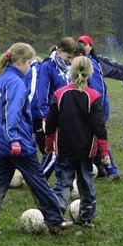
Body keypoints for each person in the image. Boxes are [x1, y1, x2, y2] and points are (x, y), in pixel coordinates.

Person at [0, 43, 69, 236]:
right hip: (16, 142)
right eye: (29, 63)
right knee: (38, 180)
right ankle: (55, 220)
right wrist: (14, 139)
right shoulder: (15, 83)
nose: (30, 68)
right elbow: (12, 113)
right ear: (20, 62)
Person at [44, 56, 110, 228]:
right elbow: (99, 127)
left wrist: (49, 144)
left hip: (64, 149)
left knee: (62, 184)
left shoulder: (59, 94)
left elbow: (50, 124)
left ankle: (56, 218)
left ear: (70, 72)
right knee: (86, 184)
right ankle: (86, 217)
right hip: (85, 151)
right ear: (90, 73)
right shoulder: (94, 96)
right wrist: (104, 152)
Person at [77, 35, 123, 181]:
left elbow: (118, 70)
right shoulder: (73, 64)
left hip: (99, 106)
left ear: (90, 47)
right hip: (84, 107)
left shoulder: (97, 62)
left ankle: (111, 170)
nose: (82, 47)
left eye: (84, 44)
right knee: (91, 136)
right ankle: (100, 167)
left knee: (97, 135)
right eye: (79, 44)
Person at [32, 37, 79, 177]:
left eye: (72, 57)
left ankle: (63, 182)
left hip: (67, 117)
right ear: (59, 51)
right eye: (68, 56)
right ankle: (40, 183)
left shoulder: (69, 67)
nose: (70, 60)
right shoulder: (48, 66)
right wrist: (48, 117)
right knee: (53, 153)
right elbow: (42, 97)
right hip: (53, 116)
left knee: (61, 152)